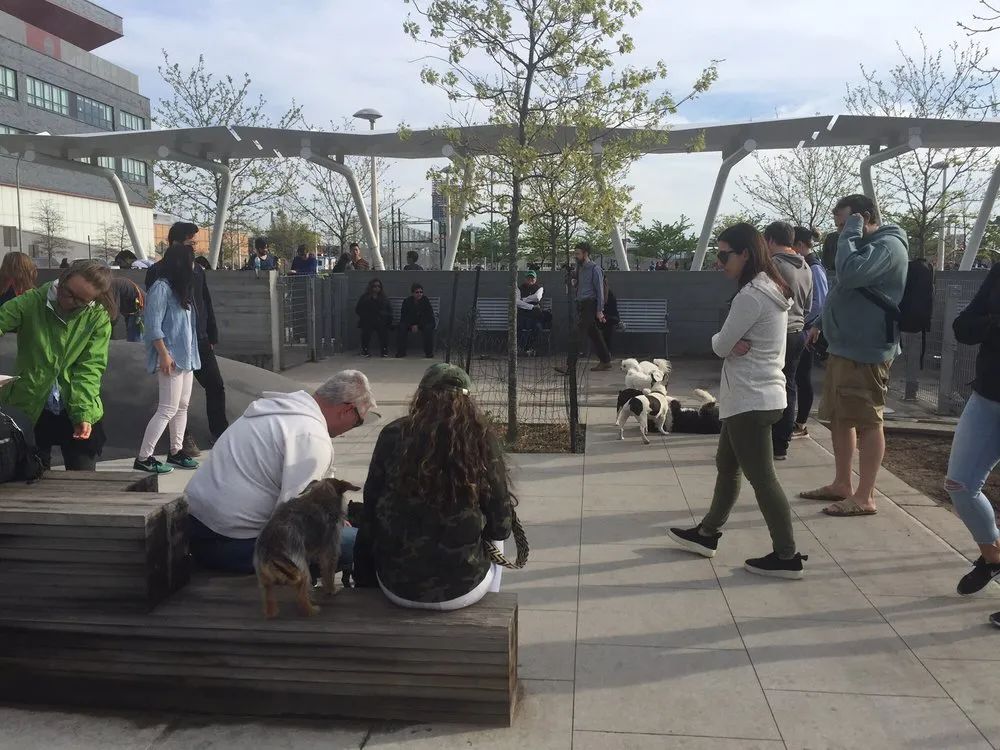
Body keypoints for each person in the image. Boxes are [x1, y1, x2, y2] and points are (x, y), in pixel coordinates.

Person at [667, 223, 808, 579]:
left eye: (723, 254)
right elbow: (732, 343)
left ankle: (787, 556)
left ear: (745, 254)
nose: (719, 262)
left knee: (763, 479)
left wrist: (727, 343)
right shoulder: (771, 288)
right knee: (727, 465)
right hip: (758, 395)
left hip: (750, 399)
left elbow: (719, 345)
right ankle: (706, 534)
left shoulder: (751, 296)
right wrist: (732, 343)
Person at [354, 364, 514, 609]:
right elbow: (501, 527)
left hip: (396, 586)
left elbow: (371, 508)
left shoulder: (393, 434)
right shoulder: (481, 438)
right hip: (462, 590)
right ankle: (489, 602)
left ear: (421, 395)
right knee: (496, 542)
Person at [184, 371, 376, 575]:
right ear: (347, 410)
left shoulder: (278, 410)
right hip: (233, 545)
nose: (353, 427)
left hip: (196, 528)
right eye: (358, 421)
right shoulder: (312, 437)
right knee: (361, 542)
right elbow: (294, 523)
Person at [802, 194, 909, 517]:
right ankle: (842, 483)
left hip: (866, 351)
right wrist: (820, 323)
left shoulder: (888, 246)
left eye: (844, 222)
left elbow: (849, 274)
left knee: (868, 420)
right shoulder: (864, 246)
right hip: (844, 347)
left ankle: (865, 496)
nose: (840, 231)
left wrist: (850, 231)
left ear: (863, 217)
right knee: (840, 418)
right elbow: (842, 289)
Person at [0, 261, 113, 470]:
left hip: (76, 403)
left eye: (80, 300)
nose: (69, 301)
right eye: (68, 292)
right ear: (63, 278)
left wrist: (83, 413)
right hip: (30, 403)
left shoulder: (97, 316)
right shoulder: (32, 301)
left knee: (83, 478)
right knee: (31, 476)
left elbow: (90, 368)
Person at [942, 263, 1000, 599]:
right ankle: (993, 558)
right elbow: (963, 327)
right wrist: (993, 323)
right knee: (959, 484)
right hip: (987, 397)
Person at [147, 222, 229, 452]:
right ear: (176, 243)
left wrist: (211, 333)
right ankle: (182, 439)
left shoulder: (197, 270)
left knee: (215, 385)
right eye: (190, 242)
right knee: (175, 401)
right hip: (174, 344)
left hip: (199, 340)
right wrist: (163, 351)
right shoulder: (157, 273)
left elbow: (205, 302)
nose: (194, 247)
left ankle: (220, 432)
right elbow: (155, 313)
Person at [134, 243, 201, 475]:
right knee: (167, 408)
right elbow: (153, 325)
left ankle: (176, 450)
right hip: (170, 356)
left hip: (186, 357)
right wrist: (163, 354)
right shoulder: (161, 288)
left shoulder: (181, 290)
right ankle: (144, 456)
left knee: (182, 406)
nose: (194, 265)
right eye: (191, 260)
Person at [763, 221, 813, 460]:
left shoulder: (773, 266)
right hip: (798, 332)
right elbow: (809, 305)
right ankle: (781, 443)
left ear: (771, 240)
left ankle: (764, 441)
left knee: (768, 385)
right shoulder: (806, 266)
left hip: (777, 333)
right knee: (789, 385)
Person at [791, 226, 828, 439]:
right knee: (797, 377)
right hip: (803, 329)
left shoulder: (814, 268)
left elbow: (820, 303)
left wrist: (801, 322)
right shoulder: (807, 265)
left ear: (800, 245)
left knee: (802, 378)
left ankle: (801, 422)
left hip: (806, 331)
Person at [556, 242, 611, 373]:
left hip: (590, 304)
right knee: (594, 333)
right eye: (575, 254)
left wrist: (600, 310)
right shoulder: (579, 268)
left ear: (585, 254)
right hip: (581, 304)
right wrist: (571, 276)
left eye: (578, 254)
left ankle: (570, 366)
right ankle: (606, 360)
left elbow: (600, 291)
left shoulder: (595, 269)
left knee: (576, 334)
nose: (576, 256)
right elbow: (577, 283)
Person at [396, 282, 436, 358]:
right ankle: (401, 352)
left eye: (421, 292)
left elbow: (428, 316)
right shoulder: (407, 301)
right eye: (417, 292)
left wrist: (418, 325)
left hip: (424, 322)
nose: (419, 294)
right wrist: (412, 325)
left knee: (428, 329)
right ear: (413, 293)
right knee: (402, 327)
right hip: (411, 323)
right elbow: (404, 316)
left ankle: (429, 352)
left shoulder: (425, 301)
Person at [356, 277, 391, 358]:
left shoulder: (383, 298)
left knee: (383, 329)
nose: (376, 288)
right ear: (371, 287)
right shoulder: (365, 297)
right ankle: (365, 350)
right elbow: (358, 309)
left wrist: (385, 317)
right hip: (368, 320)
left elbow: (388, 310)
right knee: (366, 329)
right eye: (374, 286)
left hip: (380, 320)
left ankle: (384, 350)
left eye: (378, 286)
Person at [516, 270, 545, 355]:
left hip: (535, 316)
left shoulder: (540, 288)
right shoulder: (519, 288)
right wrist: (531, 306)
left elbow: (537, 297)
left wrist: (523, 300)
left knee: (537, 328)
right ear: (525, 279)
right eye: (528, 277)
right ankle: (520, 348)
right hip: (523, 315)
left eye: (532, 278)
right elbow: (517, 302)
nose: (530, 279)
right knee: (519, 327)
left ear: (535, 279)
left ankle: (529, 348)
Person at [110, 275, 144, 342]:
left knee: (134, 337)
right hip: (132, 309)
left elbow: (115, 311)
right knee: (132, 332)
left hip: (138, 309)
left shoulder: (113, 286)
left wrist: (109, 326)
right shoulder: (116, 283)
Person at [598, 276, 620, 357]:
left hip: (609, 319)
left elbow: (613, 313)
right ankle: (605, 353)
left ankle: (606, 353)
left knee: (607, 326)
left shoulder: (610, 295)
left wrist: (604, 317)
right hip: (599, 319)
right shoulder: (596, 294)